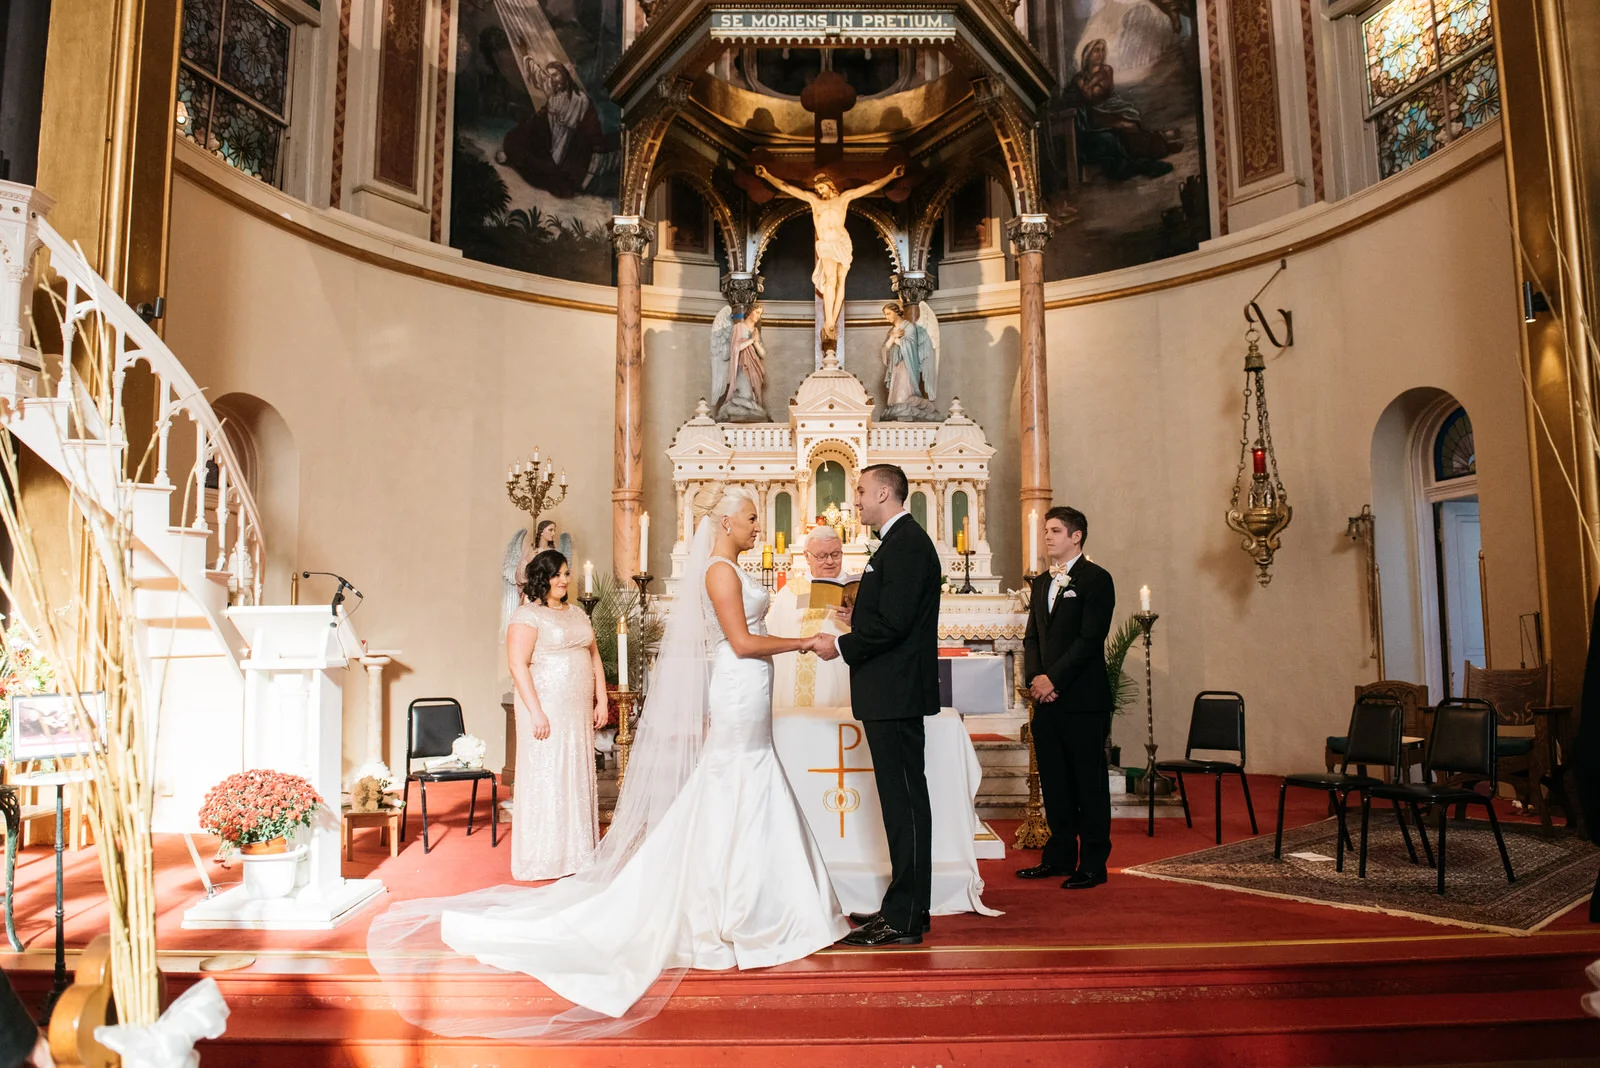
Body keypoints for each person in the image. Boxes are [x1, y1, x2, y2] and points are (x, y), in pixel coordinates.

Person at [367, 485, 845, 1039]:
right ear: (725, 523)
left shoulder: (732, 568)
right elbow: (739, 642)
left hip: (751, 689)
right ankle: (737, 905)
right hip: (741, 685)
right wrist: (805, 642)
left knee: (742, 782)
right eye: (751, 518)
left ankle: (757, 898)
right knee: (738, 779)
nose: (757, 526)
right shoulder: (720, 572)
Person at [817, 464, 943, 945]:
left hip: (895, 691)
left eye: (862, 491)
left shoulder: (906, 545)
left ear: (886, 493)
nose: (856, 500)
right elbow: (893, 615)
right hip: (890, 690)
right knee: (899, 802)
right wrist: (859, 616)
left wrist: (841, 644)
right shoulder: (897, 543)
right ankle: (907, 906)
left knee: (904, 803)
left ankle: (905, 917)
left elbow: (894, 625)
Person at [1017, 506, 1116, 890]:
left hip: (1083, 700)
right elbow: (1032, 638)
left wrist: (1053, 679)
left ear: (1076, 536)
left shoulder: (1097, 579)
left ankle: (1092, 864)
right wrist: (1035, 679)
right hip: (1047, 701)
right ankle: (1058, 858)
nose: (1047, 536)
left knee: (1088, 784)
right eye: (1046, 530)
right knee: (1055, 782)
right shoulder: (1042, 582)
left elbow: (1090, 639)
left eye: (1056, 530)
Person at [504, 550, 607, 880]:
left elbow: (594, 656)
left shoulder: (577, 613)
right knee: (548, 772)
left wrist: (602, 699)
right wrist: (536, 711)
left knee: (575, 771)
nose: (564, 580)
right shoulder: (527, 615)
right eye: (557, 574)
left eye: (566, 573)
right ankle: (544, 857)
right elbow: (517, 664)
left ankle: (577, 853)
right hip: (546, 707)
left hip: (577, 711)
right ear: (542, 578)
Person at [752, 164, 904, 346]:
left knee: (840, 281)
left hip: (842, 242)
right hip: (826, 244)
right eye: (817, 188)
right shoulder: (814, 201)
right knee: (830, 280)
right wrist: (767, 175)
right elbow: (787, 187)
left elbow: (870, 187)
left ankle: (833, 319)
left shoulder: (844, 199)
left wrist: (891, 175)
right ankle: (829, 320)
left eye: (821, 187)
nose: (819, 191)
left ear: (830, 185)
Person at [1070, 39, 1180, 180]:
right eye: (1096, 51)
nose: (1100, 54)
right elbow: (1090, 98)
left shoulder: (1106, 70)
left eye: (1102, 50)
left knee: (1131, 126)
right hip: (1096, 115)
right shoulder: (1079, 77)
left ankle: (1160, 146)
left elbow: (1100, 93)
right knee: (1125, 126)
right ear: (1088, 54)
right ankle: (1160, 146)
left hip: (1111, 108)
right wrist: (1091, 89)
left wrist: (1089, 85)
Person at [769, 525, 852, 708]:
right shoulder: (789, 593)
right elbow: (772, 639)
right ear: (807, 556)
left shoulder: (855, 590)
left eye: (836, 554)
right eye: (822, 556)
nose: (830, 561)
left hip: (841, 686)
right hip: (792, 692)